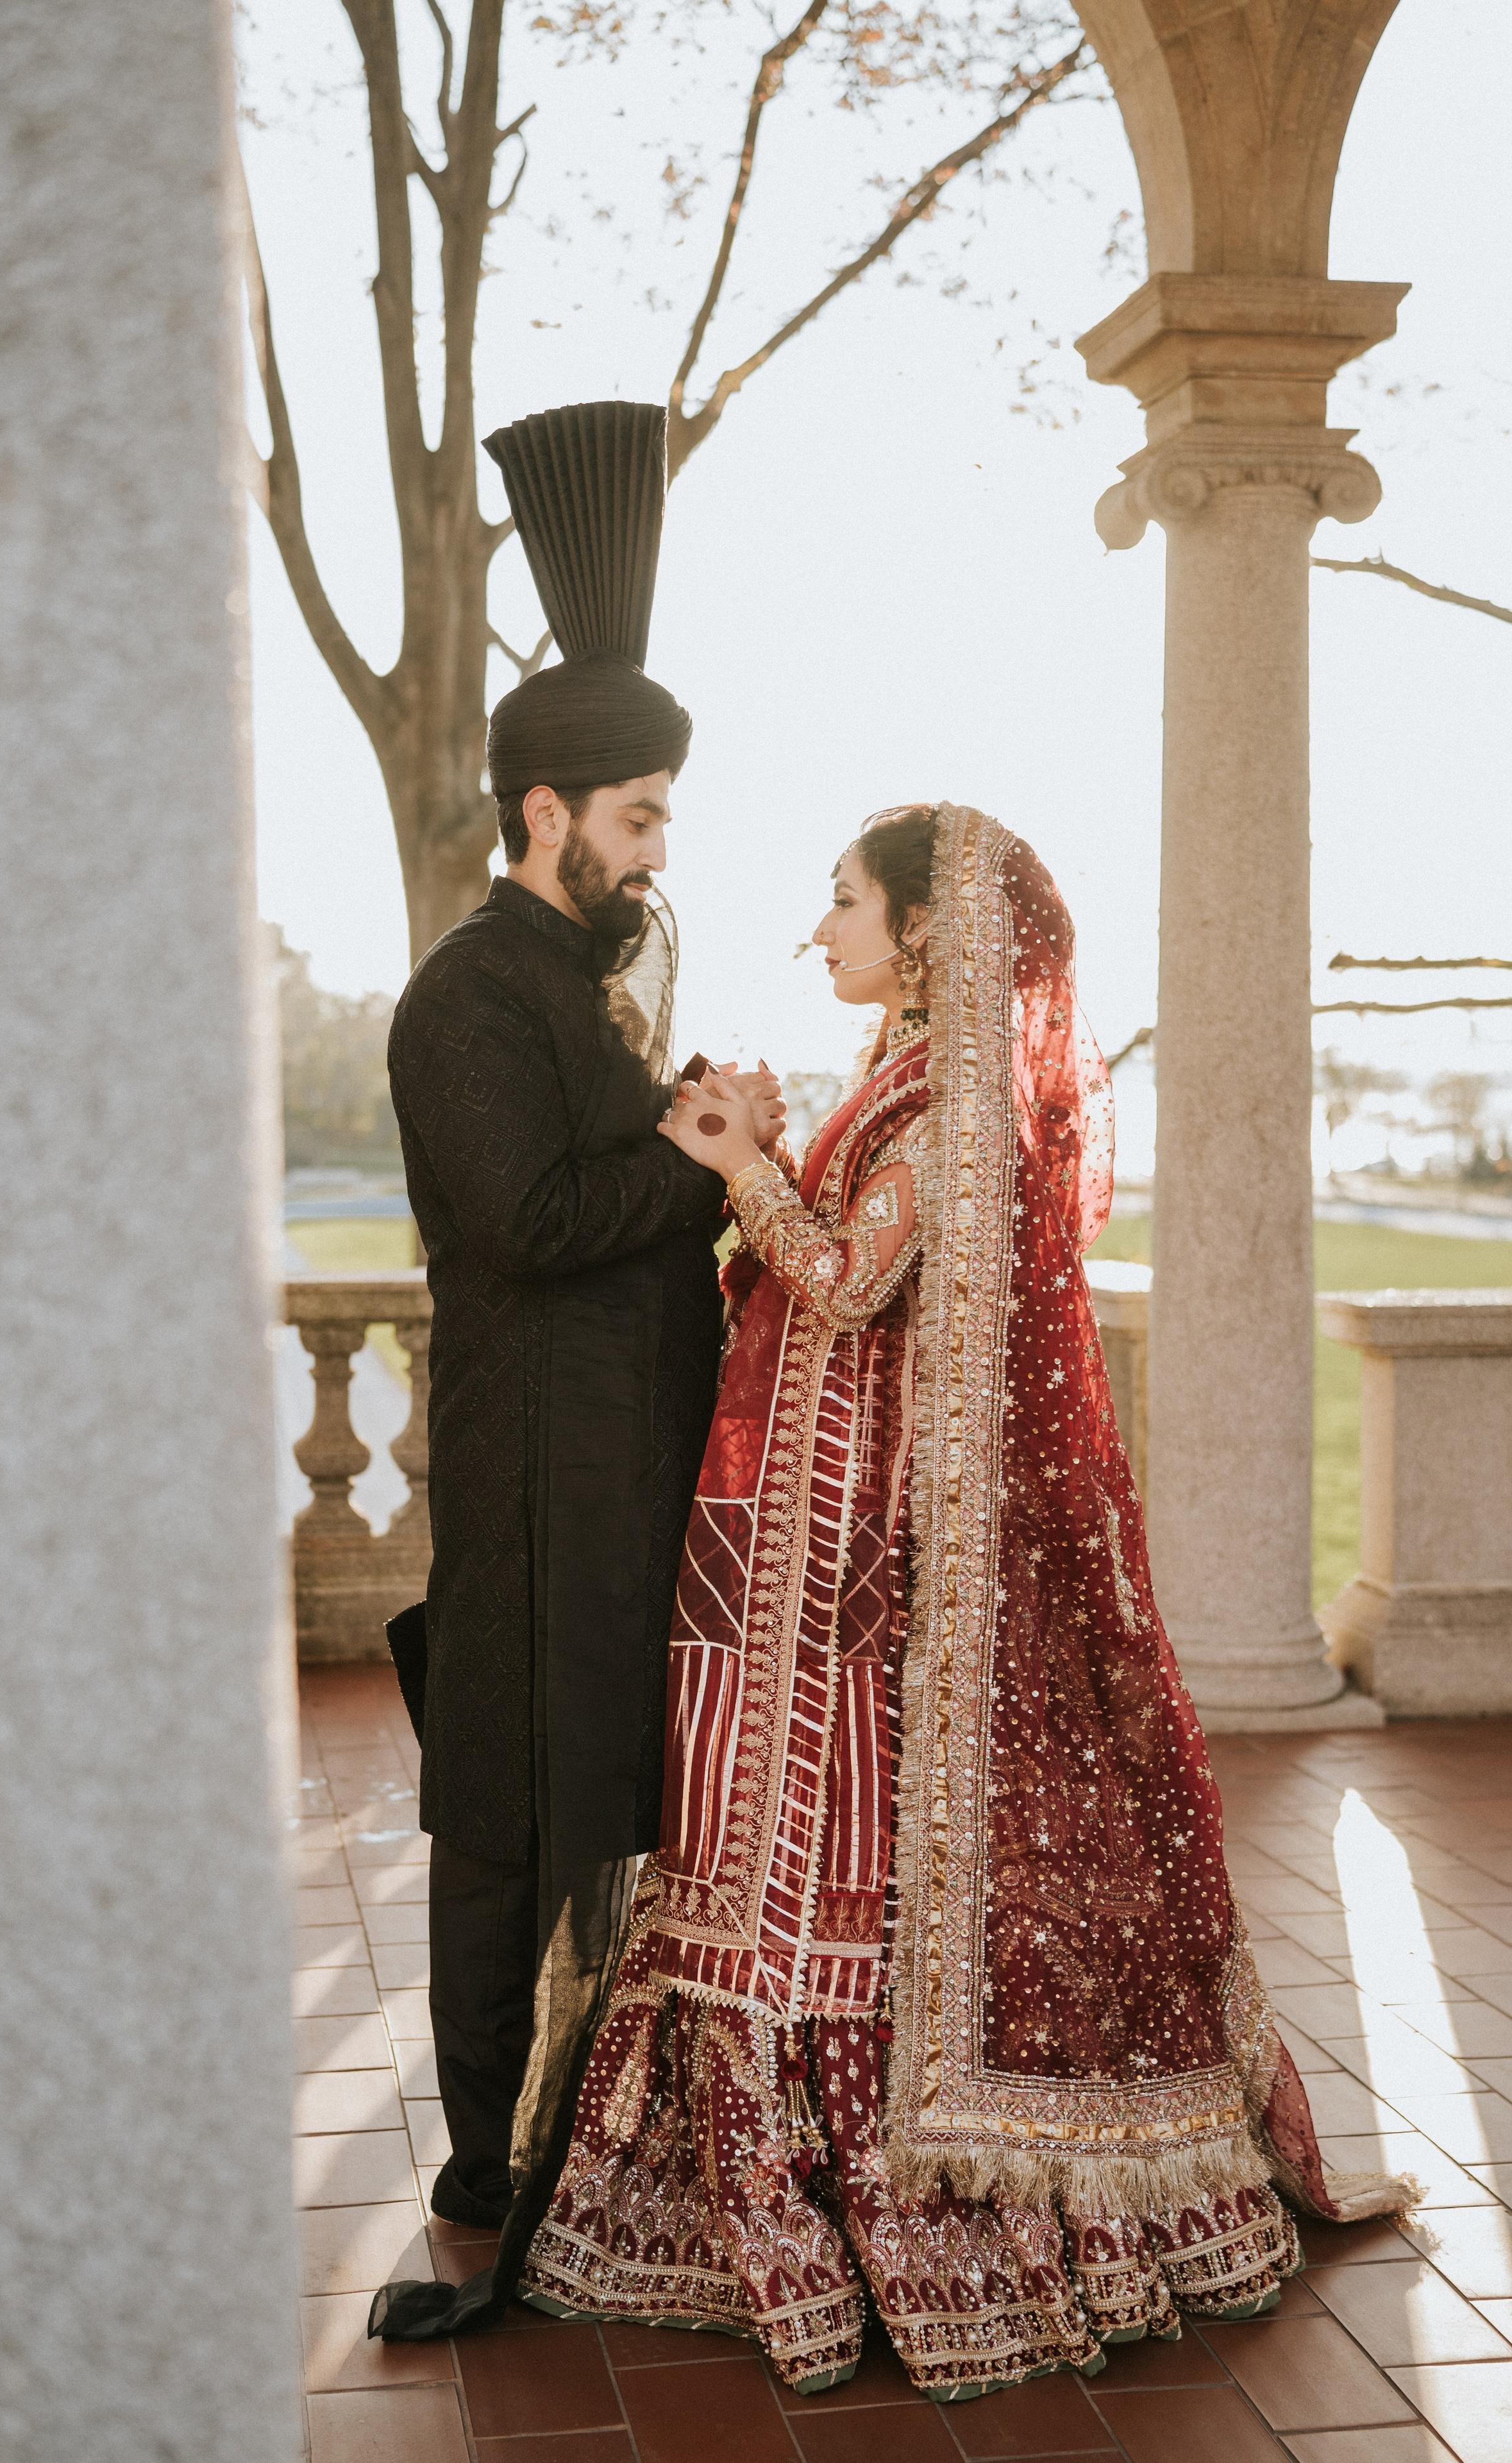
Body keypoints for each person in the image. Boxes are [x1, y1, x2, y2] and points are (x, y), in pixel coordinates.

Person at [516, 800, 1415, 2401]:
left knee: (813, 1839)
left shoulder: (951, 1106)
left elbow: (856, 1282)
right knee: (735, 1813)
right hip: (780, 1532)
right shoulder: (904, 1086)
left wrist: (734, 1168)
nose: (822, 931)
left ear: (929, 931)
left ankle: (859, 2196)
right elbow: (859, 1271)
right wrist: (772, 1152)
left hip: (846, 1554)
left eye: (845, 903)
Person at [370, 402, 781, 2342]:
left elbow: (606, 1192)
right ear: (545, 815)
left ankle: (585, 2118)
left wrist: (682, 1129)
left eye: (664, 820)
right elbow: (530, 1222)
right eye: (640, 819)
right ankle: (481, 2160)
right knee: (507, 1816)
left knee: (616, 1791)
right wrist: (683, 1161)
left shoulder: (588, 985)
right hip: (539, 1478)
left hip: (633, 1467)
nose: (659, 852)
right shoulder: (466, 993)